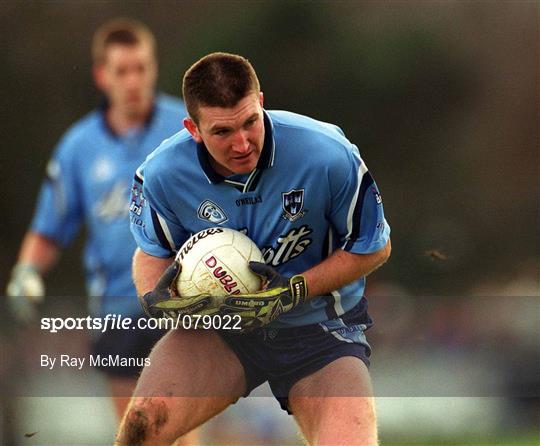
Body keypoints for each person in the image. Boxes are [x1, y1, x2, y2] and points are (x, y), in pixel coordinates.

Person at [117, 52, 391, 446]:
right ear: (192, 128)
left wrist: (293, 289)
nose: (243, 143)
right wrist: (152, 297)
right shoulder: (161, 174)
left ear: (261, 102)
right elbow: (152, 250)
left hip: (320, 332)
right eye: (222, 132)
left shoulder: (328, 153)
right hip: (219, 331)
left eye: (250, 122)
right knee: (142, 430)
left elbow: (373, 248)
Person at [5, 18, 196, 439]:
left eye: (141, 68)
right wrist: (26, 272)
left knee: (178, 425)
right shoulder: (78, 147)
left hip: (182, 299)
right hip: (115, 307)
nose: (133, 81)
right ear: (101, 76)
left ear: (154, 68)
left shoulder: (187, 130)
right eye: (122, 71)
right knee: (136, 429)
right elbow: (50, 227)